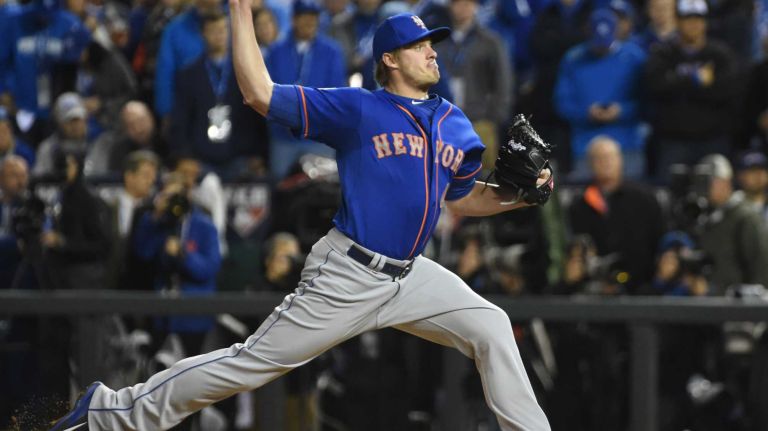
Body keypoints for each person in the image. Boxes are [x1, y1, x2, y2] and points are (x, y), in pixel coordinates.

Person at [50, 8, 552, 431]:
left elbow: (462, 198)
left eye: (433, 44)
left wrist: (524, 197)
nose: (433, 52)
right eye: (421, 45)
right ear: (390, 59)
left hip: (411, 275)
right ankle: (108, 412)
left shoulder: (455, 122)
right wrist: (242, 8)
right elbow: (258, 92)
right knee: (248, 364)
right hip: (350, 272)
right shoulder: (358, 108)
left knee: (492, 326)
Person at [554, 9, 648, 181]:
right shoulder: (573, 59)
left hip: (627, 144)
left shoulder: (635, 57)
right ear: (588, 32)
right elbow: (562, 103)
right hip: (586, 147)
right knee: (589, 202)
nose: (602, 48)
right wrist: (586, 112)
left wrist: (622, 111)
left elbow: (647, 102)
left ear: (616, 32)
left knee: (631, 200)